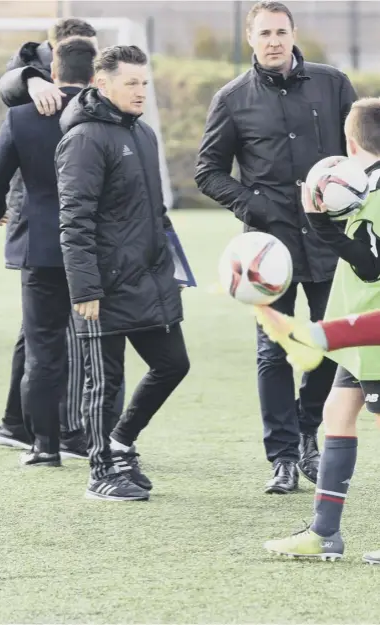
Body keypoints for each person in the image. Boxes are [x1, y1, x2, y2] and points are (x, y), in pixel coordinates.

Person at [195, 0, 357, 494]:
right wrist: (254, 206)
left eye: (280, 31)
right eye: (263, 32)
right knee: (272, 353)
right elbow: (208, 172)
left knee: (333, 345)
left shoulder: (332, 84)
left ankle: (308, 430)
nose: (273, 41)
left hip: (332, 241)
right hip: (267, 252)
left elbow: (359, 152)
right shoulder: (231, 98)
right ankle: (283, 457)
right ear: (250, 38)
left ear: (293, 33)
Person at [55, 45, 190, 500]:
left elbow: (152, 213)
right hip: (103, 286)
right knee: (105, 383)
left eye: (144, 82)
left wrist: (174, 265)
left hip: (149, 278)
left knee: (174, 363)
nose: (140, 91)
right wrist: (85, 288)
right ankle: (100, 472)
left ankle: (120, 443)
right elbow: (74, 220)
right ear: (102, 84)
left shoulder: (144, 134)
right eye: (130, 82)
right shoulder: (85, 138)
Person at [0, 18, 125, 454]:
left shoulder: (22, 118)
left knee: (41, 348)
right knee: (91, 346)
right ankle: (85, 437)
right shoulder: (109, 117)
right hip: (90, 246)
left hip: (38, 243)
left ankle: (43, 444)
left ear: (55, 65)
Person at [262, 97, 380, 564]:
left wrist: (321, 227)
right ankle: (324, 533)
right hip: (359, 335)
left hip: (370, 335)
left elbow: (371, 267)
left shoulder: (367, 192)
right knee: (336, 413)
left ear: (349, 142)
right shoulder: (355, 187)